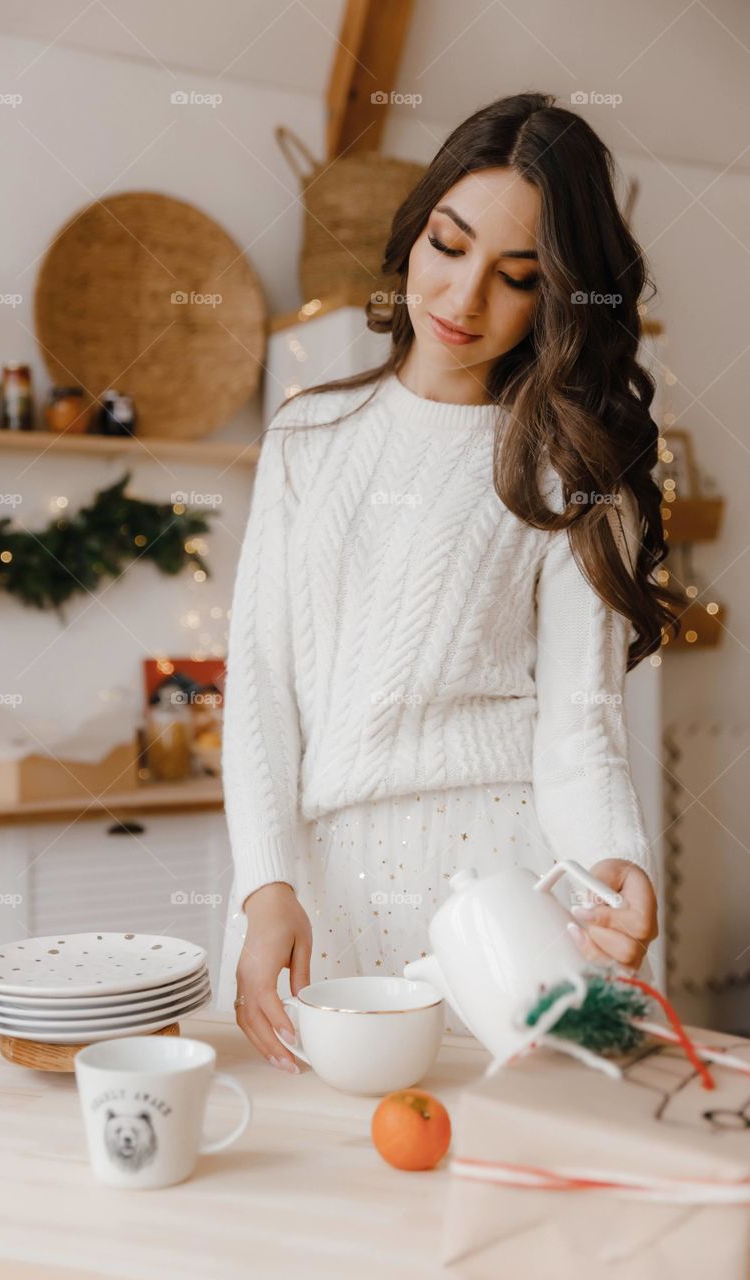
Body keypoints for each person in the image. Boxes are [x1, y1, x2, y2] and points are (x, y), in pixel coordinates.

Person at [214, 92, 681, 1072]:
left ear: (557, 300)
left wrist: (616, 867)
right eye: (447, 242)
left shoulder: (565, 467)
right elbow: (258, 684)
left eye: (516, 278)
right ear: (414, 228)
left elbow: (577, 726)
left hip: (502, 894)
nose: (463, 299)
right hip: (314, 887)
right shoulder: (307, 437)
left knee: (502, 1173)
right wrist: (265, 887)